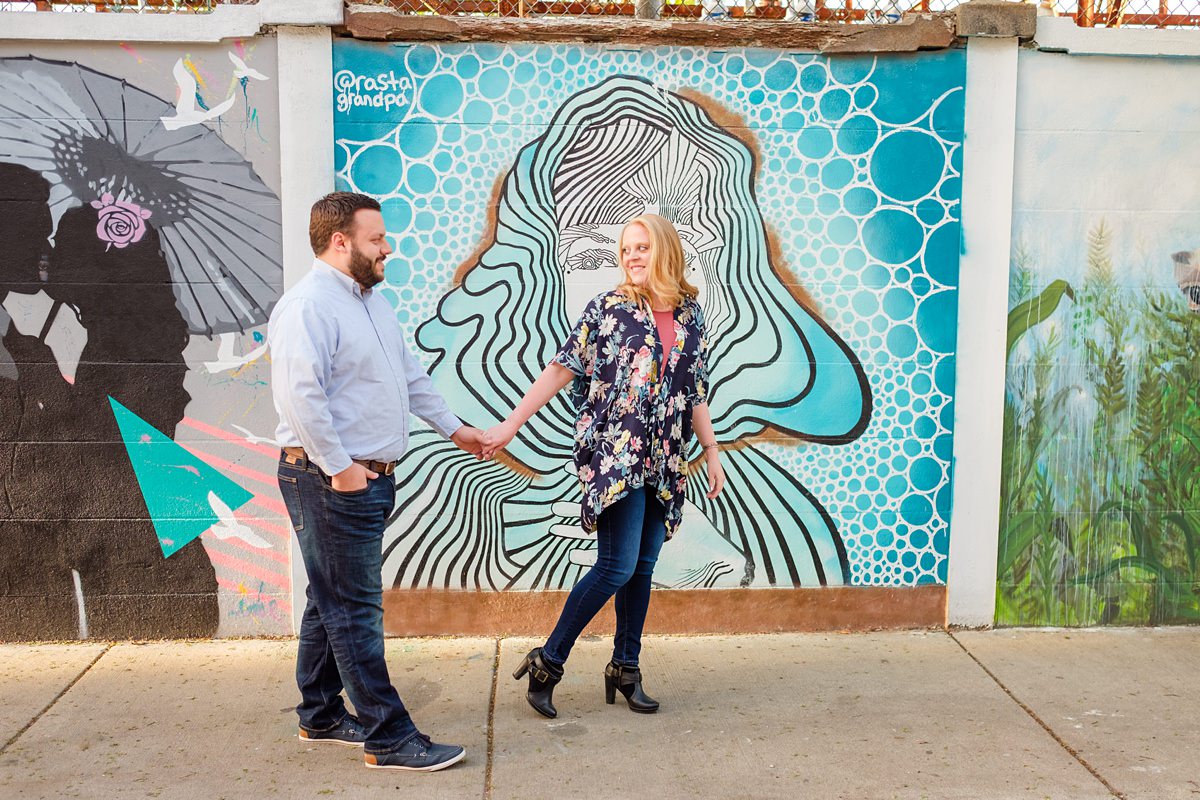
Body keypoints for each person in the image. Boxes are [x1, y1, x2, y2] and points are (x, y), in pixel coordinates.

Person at [269, 192, 483, 772]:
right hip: (328, 479)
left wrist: (456, 428)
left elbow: (408, 377)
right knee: (353, 609)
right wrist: (341, 470)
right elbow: (299, 396)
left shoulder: (371, 304)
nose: (387, 246)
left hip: (362, 478)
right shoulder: (309, 306)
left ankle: (320, 714)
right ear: (340, 242)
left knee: (330, 597)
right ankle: (388, 736)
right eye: (376, 238)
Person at [481, 213, 726, 718]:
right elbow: (561, 366)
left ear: (666, 252)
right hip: (616, 454)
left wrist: (712, 451)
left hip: (665, 460)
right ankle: (547, 662)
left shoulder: (690, 316)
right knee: (616, 565)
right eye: (626, 249)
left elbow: (695, 389)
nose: (632, 256)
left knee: (643, 566)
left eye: (642, 247)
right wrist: (510, 426)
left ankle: (626, 667)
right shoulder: (608, 310)